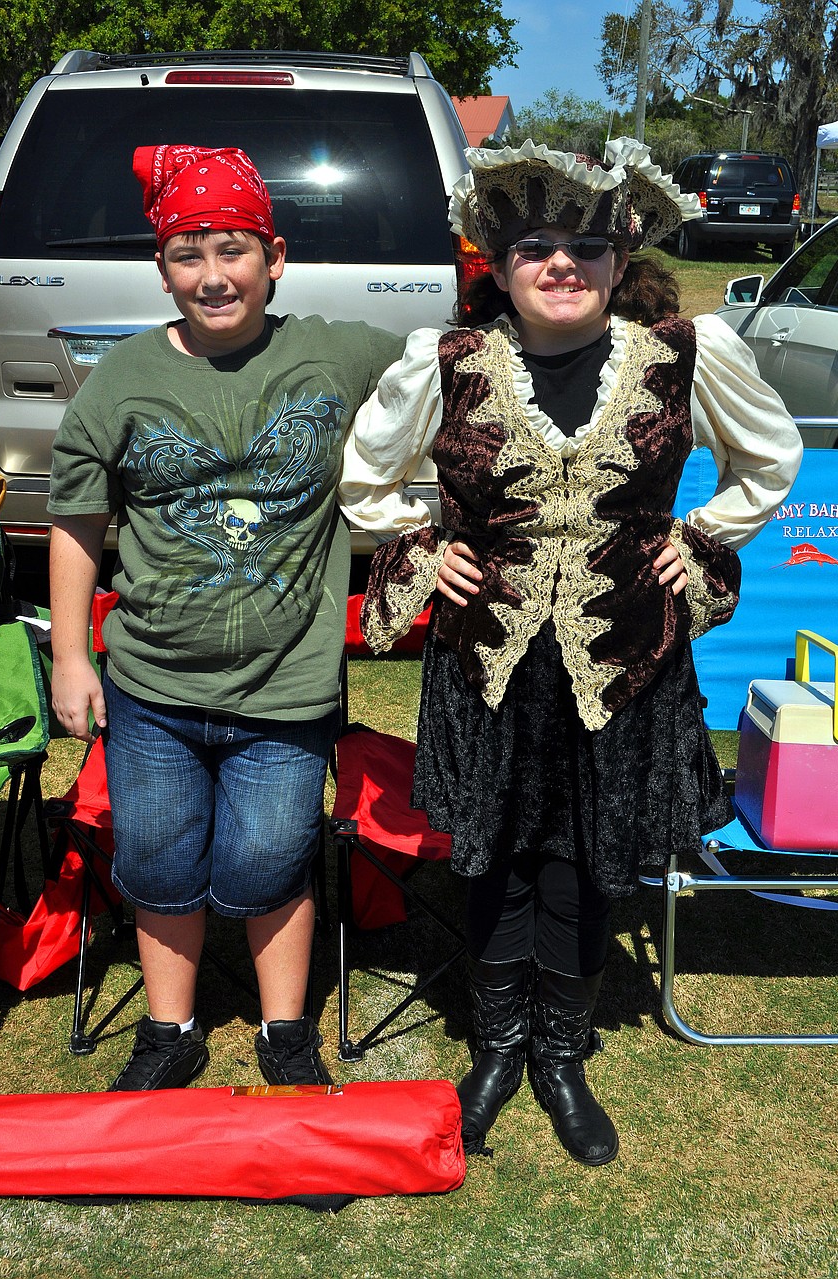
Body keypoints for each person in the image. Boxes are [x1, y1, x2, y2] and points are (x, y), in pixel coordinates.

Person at [340, 138, 803, 1164]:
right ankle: (498, 1046)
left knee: (589, 861)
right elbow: (366, 481)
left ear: (618, 257)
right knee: (500, 855)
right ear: (500, 265)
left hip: (621, 662)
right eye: (538, 246)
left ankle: (561, 1053)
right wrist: (423, 543)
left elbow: (770, 458)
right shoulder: (447, 363)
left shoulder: (685, 353)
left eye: (586, 248)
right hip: (491, 658)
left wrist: (699, 538)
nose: (562, 266)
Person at [48, 144, 405, 1091]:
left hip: (286, 685)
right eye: (188, 253)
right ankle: (171, 1031)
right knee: (160, 859)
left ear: (275, 257)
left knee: (269, 858)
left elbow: (458, 376)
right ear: (161, 269)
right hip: (154, 683)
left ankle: (285, 1031)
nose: (214, 276)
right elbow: (78, 523)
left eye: (234, 249)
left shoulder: (338, 352)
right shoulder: (119, 381)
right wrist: (72, 657)